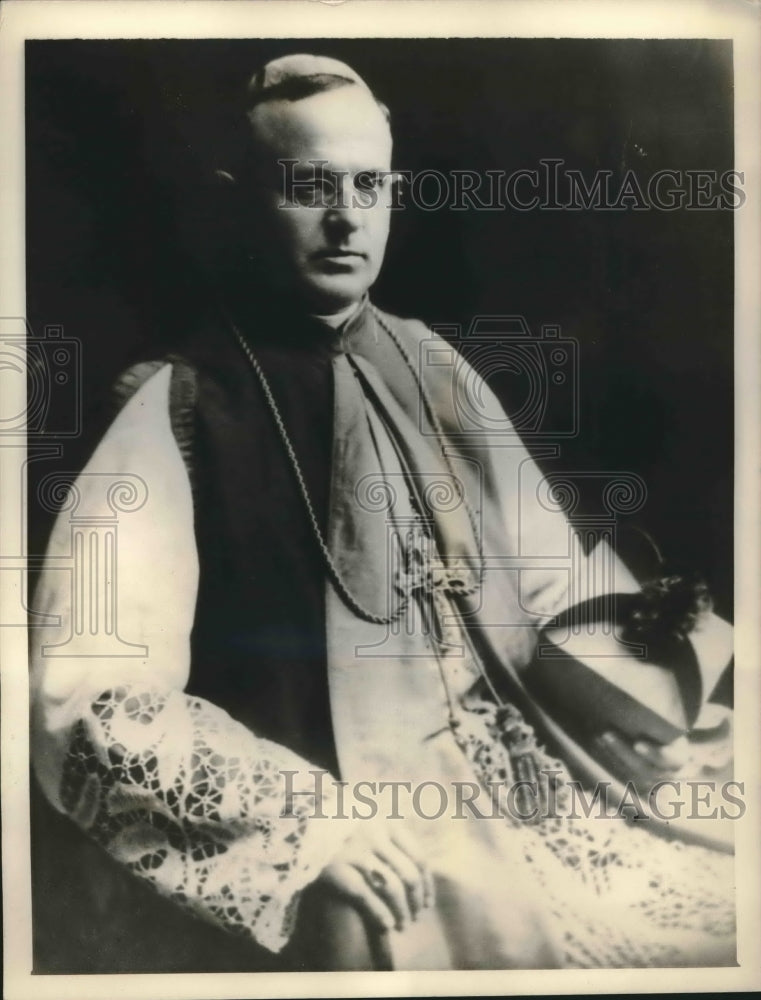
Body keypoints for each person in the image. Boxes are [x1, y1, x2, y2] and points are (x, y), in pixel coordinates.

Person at [29, 54, 736, 972]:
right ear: (240, 196)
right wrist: (311, 829)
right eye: (309, 187)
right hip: (360, 815)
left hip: (521, 784)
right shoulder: (179, 404)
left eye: (369, 185)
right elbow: (86, 696)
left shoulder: (433, 366)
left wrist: (659, 689)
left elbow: (554, 588)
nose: (345, 218)